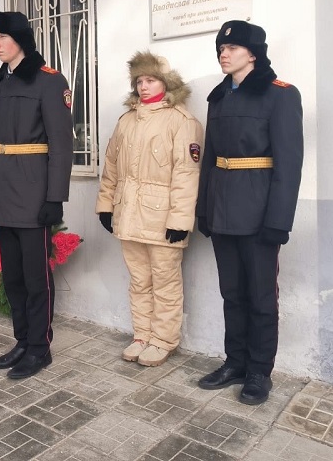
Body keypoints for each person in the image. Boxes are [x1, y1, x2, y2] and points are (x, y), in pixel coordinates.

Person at [195, 20, 303, 405]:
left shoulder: (280, 95)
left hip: (259, 214)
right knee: (232, 294)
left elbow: (289, 165)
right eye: (221, 48)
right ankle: (235, 362)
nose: (224, 53)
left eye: (233, 48)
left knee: (260, 296)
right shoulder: (219, 97)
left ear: (253, 53)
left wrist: (278, 220)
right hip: (223, 209)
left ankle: (259, 371)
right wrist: (204, 210)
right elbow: (210, 158)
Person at [95, 52, 203, 367]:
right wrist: (105, 204)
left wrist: (181, 220)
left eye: (151, 80)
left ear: (166, 83)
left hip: (162, 218)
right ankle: (142, 334)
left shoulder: (182, 122)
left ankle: (163, 339)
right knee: (139, 279)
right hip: (127, 214)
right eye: (139, 81)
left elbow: (187, 175)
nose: (144, 86)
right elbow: (111, 166)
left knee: (165, 281)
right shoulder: (126, 121)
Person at [0, 11, 73, 380]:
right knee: (15, 275)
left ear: (21, 39)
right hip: (4, 190)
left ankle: (40, 347)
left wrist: (55, 197)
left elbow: (62, 143)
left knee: (37, 277)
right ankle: (22, 340)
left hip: (34, 190)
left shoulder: (48, 80)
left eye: (3, 37)